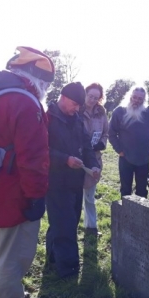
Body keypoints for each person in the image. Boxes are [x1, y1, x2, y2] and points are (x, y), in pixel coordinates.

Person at [0, 46, 55, 298]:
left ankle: (3, 293)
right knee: (15, 253)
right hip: (16, 191)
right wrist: (36, 196)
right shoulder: (25, 102)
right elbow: (33, 157)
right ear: (38, 79)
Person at [45, 82, 100, 279]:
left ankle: (52, 258)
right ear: (64, 98)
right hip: (56, 181)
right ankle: (68, 272)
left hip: (75, 181)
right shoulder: (47, 117)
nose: (77, 109)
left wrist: (93, 165)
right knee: (65, 225)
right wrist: (65, 159)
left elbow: (86, 145)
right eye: (75, 104)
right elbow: (41, 150)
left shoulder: (76, 119)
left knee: (66, 222)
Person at [109, 85, 149, 198]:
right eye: (134, 97)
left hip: (143, 159)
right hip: (125, 158)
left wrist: (147, 151)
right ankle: (125, 215)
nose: (137, 101)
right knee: (126, 191)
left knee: (142, 191)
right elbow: (111, 133)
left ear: (144, 100)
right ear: (130, 96)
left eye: (140, 99)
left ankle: (141, 215)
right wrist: (119, 150)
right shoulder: (119, 111)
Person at [80, 83, 109, 236]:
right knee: (75, 198)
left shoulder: (101, 113)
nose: (92, 100)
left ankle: (91, 227)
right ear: (85, 94)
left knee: (90, 197)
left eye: (96, 97)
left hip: (95, 159)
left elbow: (106, 133)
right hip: (78, 159)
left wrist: (102, 143)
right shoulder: (77, 110)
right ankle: (71, 227)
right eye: (90, 96)